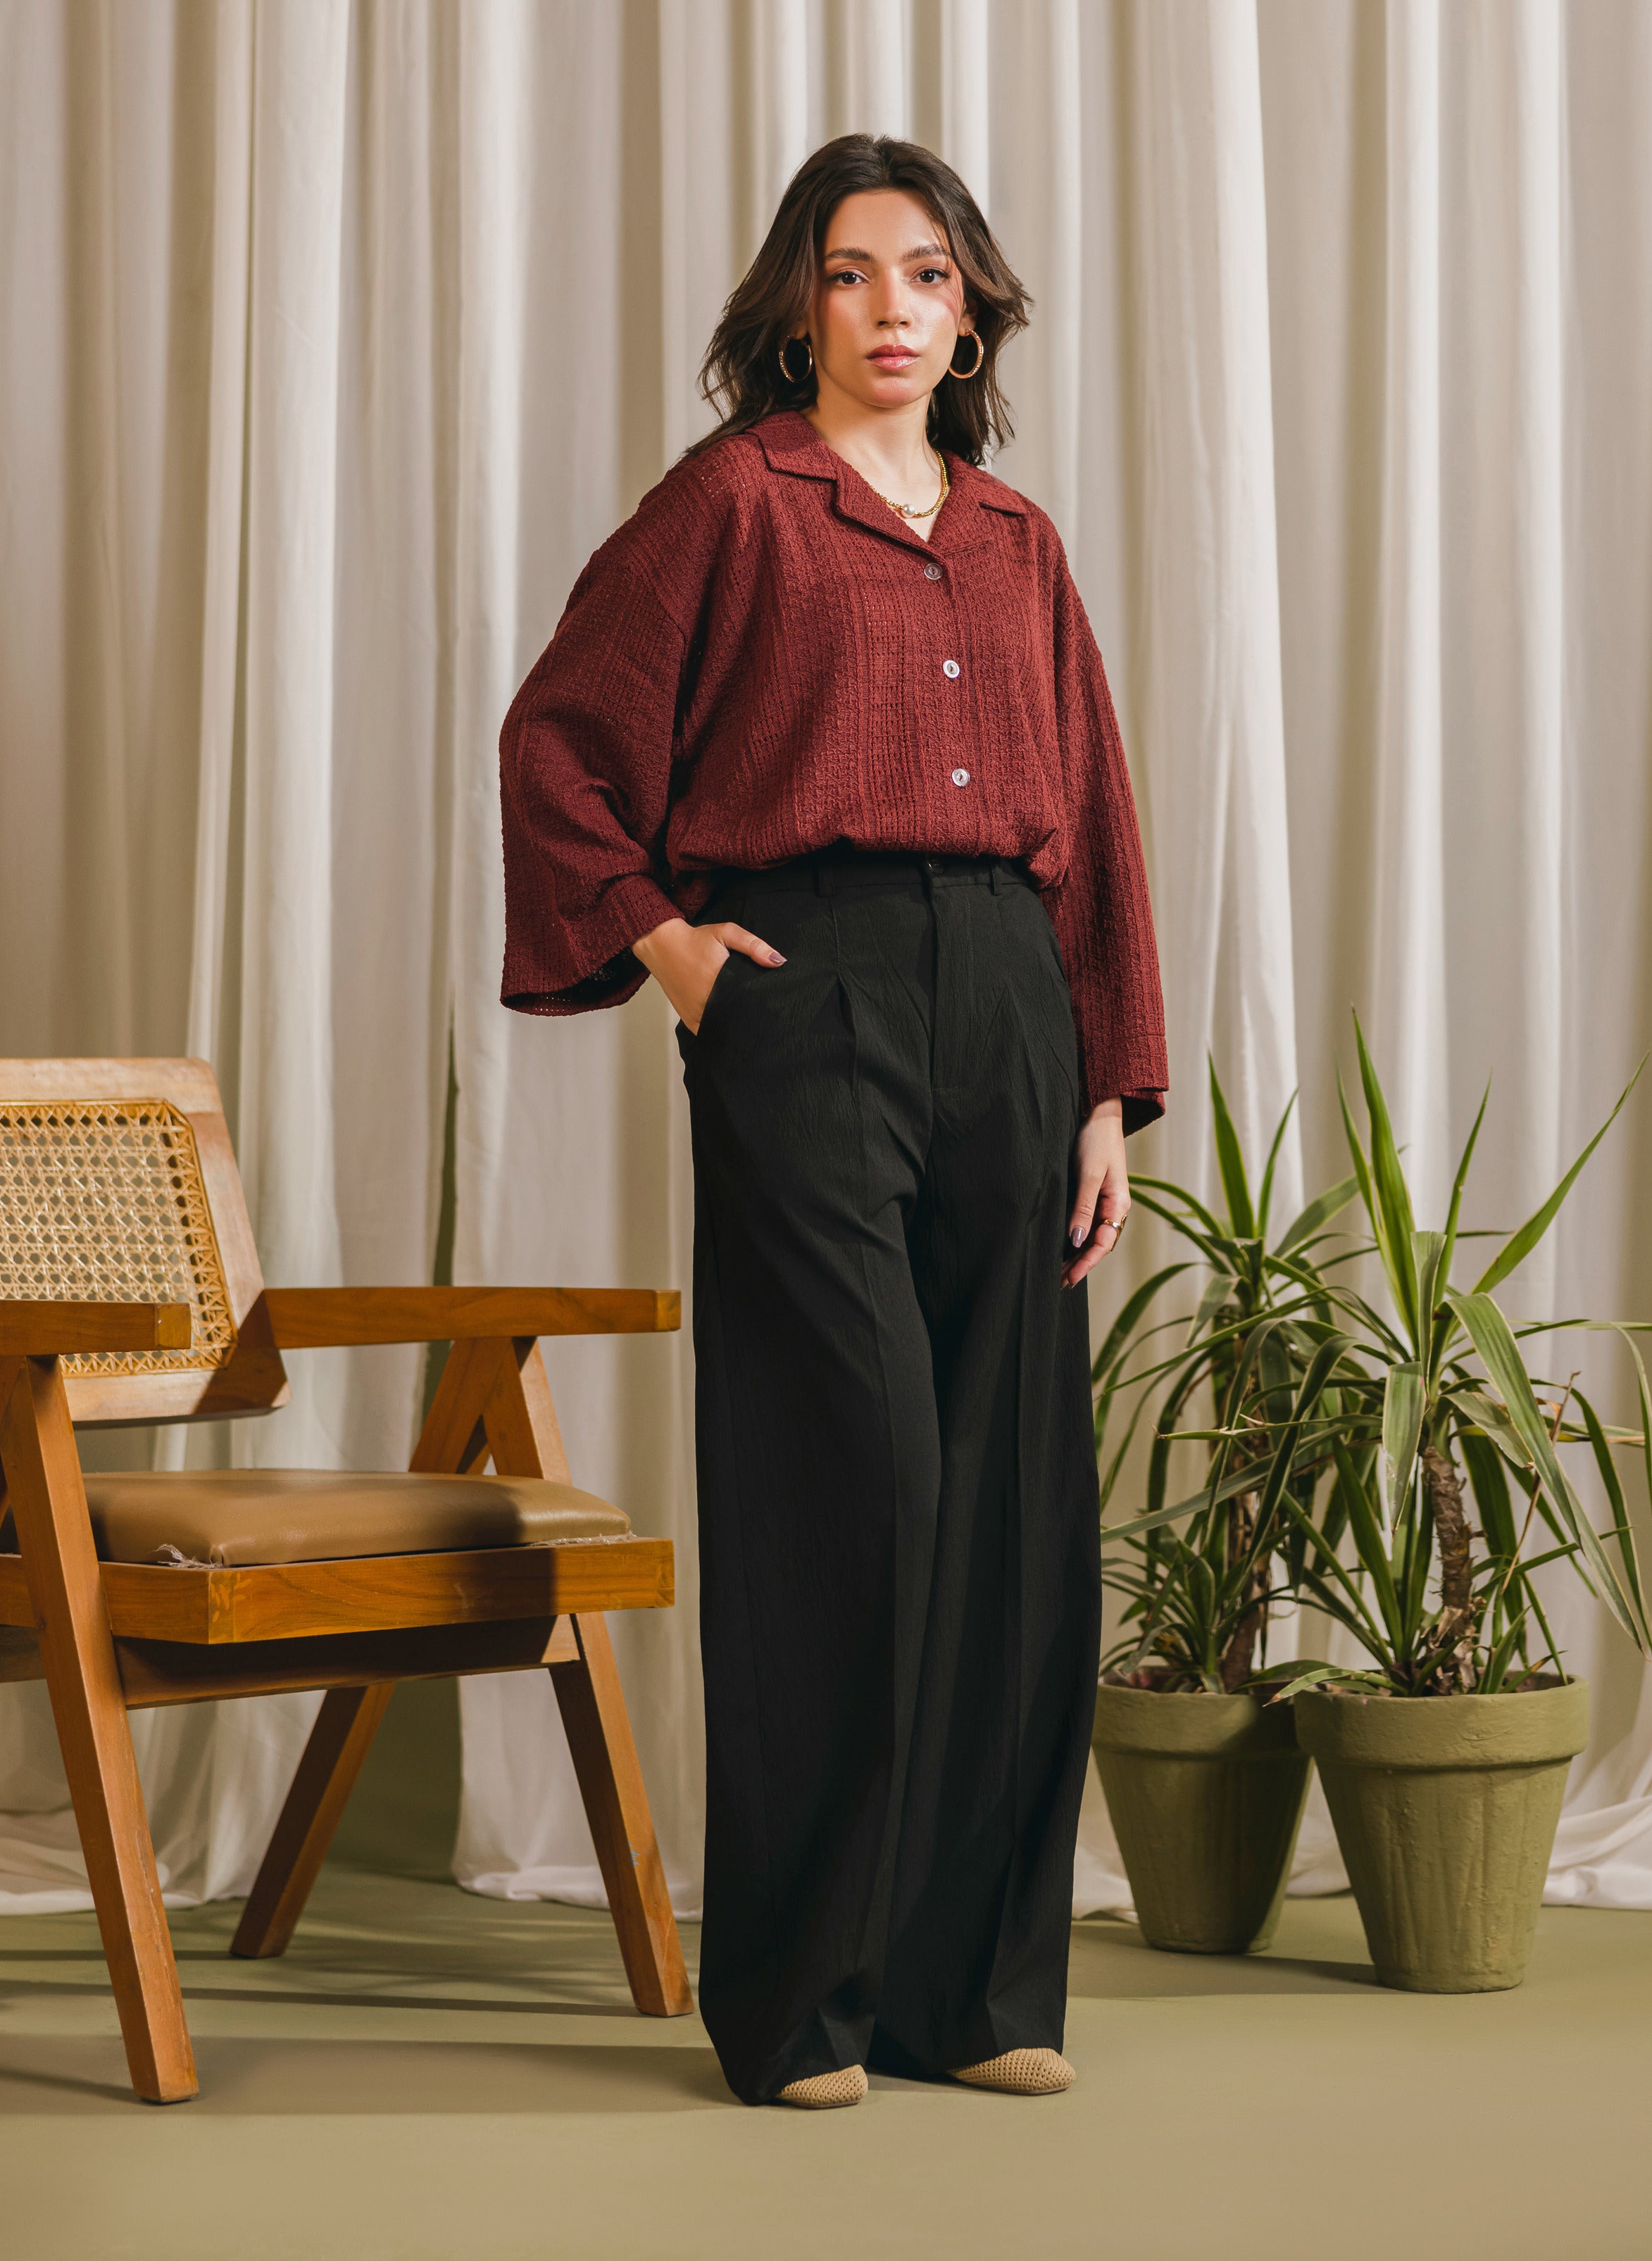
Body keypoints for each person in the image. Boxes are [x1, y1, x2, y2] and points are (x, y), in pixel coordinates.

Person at [499, 133, 1167, 2108]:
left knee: (1013, 1509)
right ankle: (800, 2004)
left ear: (972, 316)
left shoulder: (1016, 540)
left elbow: (1099, 829)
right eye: (858, 274)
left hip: (1008, 1005)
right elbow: (563, 746)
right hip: (808, 995)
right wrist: (667, 949)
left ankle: (976, 1999)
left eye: (932, 278)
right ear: (798, 302)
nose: (895, 311)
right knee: (847, 1479)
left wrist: (1107, 1091)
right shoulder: (729, 505)